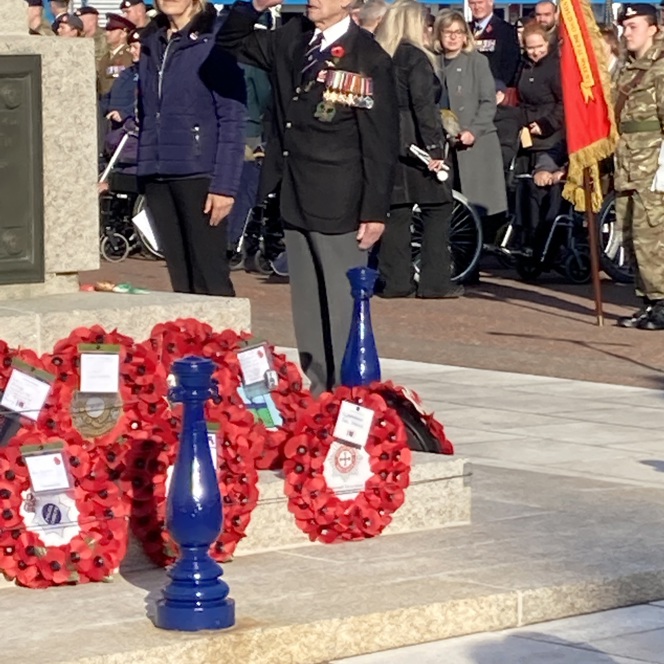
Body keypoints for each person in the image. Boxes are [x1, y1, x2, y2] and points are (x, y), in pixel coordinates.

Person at [216, 0, 400, 394]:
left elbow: (380, 141)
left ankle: (348, 393)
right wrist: (254, 5)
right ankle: (319, 392)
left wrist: (374, 209)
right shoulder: (292, 38)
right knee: (307, 309)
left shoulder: (367, 56)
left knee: (340, 304)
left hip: (341, 198)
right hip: (294, 191)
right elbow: (230, 40)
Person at [138, 0, 246, 298]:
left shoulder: (215, 40)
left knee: (210, 276)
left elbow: (233, 117)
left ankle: (224, 340)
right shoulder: (151, 41)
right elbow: (145, 110)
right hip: (157, 172)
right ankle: (190, 341)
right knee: (180, 278)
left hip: (199, 173)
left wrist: (225, 185)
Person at [374, 0, 460, 299]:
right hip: (415, 141)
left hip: (386, 139)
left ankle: (396, 280)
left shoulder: (381, 55)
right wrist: (435, 148)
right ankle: (435, 281)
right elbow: (423, 105)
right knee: (438, 208)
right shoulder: (415, 59)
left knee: (396, 212)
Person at [613, 3, 664, 330]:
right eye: (624, 26)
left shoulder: (660, 69)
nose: (626, 32)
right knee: (631, 235)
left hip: (652, 165)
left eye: (633, 26)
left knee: (652, 236)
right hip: (627, 164)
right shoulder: (625, 68)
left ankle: (662, 301)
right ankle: (647, 301)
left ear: (653, 30)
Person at [435, 11, 507, 221]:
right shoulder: (434, 63)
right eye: (448, 32)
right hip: (445, 145)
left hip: (476, 143)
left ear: (466, 36)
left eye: (458, 32)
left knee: (479, 209)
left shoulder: (477, 61)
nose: (453, 37)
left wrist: (473, 131)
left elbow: (488, 101)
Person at [514, 22, 565, 253]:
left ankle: (546, 242)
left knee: (545, 190)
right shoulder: (524, 67)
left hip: (550, 136)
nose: (535, 52)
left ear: (548, 43)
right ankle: (526, 237)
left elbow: (563, 104)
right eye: (530, 47)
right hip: (527, 136)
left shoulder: (555, 68)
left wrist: (545, 125)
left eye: (539, 47)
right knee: (525, 187)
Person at [467, 0, 520, 86]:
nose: (476, 7)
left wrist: (499, 87)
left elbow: (510, 66)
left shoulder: (505, 30)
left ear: (490, 2)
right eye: (472, 3)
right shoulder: (466, 30)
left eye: (480, 2)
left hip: (493, 89)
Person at [97, 13, 135, 98]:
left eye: (111, 30)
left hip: (120, 101)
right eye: (107, 30)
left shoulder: (128, 55)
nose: (107, 34)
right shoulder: (106, 56)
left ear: (123, 34)